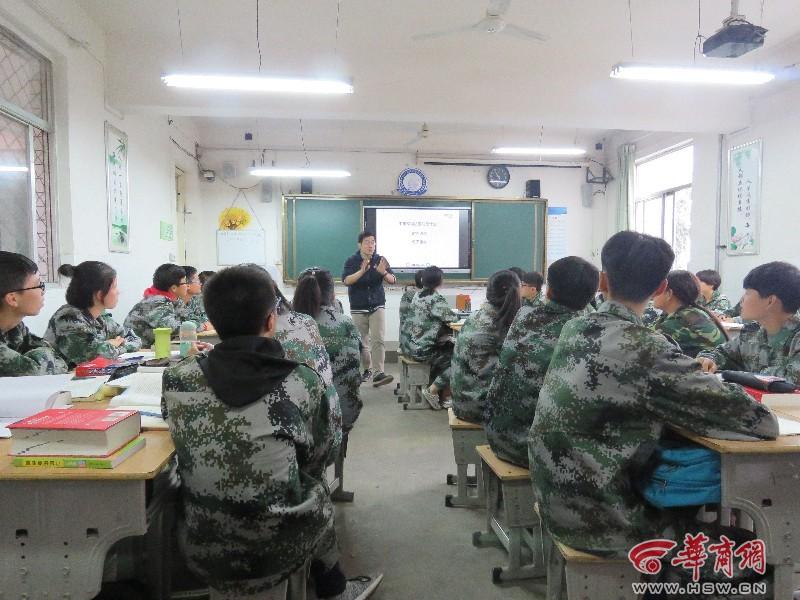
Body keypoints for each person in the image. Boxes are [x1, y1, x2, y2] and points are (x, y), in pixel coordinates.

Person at [528, 231, 777, 559]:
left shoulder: (575, 328)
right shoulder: (646, 347)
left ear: (602, 281)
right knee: (759, 550)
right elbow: (762, 423)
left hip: (556, 500)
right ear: (661, 286)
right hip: (606, 521)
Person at [162, 265, 381, 600]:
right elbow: (325, 452)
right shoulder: (301, 382)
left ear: (212, 322)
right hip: (282, 543)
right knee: (312, 483)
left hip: (202, 543)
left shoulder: (178, 378)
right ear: (270, 321)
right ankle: (334, 589)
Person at [485, 257, 598, 467]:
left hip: (496, 433)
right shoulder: (584, 331)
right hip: (529, 448)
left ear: (547, 291)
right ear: (593, 296)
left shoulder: (523, 315)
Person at [697, 261, 800, 385]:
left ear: (770, 301)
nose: (742, 299)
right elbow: (722, 353)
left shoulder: (796, 337)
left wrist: (736, 375)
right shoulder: (752, 332)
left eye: (747, 293)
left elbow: (789, 380)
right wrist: (708, 359)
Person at [293, 267, 363, 435]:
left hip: (300, 426)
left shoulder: (289, 326)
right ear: (332, 295)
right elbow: (358, 359)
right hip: (344, 417)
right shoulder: (346, 323)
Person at [449, 270, 521, 423]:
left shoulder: (476, 316)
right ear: (517, 293)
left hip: (461, 401)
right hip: (480, 407)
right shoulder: (502, 324)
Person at [44, 262, 142, 367]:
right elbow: (95, 357)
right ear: (100, 294)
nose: (118, 292)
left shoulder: (99, 318)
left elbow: (134, 338)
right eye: (114, 287)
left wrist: (112, 345)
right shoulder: (68, 318)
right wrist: (110, 345)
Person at [342, 231, 396, 387]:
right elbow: (347, 280)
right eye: (367, 242)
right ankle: (368, 369)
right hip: (358, 306)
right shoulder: (352, 261)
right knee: (362, 342)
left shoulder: (380, 260)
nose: (371, 245)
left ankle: (379, 372)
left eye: (373, 242)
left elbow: (393, 280)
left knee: (378, 339)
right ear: (360, 244)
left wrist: (383, 272)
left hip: (377, 305)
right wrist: (361, 271)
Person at [0, 251, 67, 376]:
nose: (42, 291)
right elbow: (34, 371)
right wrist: (45, 358)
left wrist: (44, 359)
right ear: (13, 299)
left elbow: (60, 361)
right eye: (38, 286)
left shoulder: (15, 327)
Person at [406, 266, 458, 409]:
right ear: (439, 281)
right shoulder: (435, 298)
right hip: (425, 350)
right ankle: (433, 390)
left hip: (412, 345)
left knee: (449, 347)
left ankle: (442, 393)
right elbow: (451, 317)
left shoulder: (417, 295)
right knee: (459, 359)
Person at [651, 270, 728, 358]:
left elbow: (644, 342)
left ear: (669, 294)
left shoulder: (680, 321)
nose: (653, 294)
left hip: (711, 369)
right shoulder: (689, 311)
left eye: (658, 289)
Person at [124, 263, 191, 348]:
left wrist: (194, 324)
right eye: (185, 283)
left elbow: (188, 318)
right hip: (138, 351)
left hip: (154, 349)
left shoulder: (174, 300)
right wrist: (201, 326)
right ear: (174, 288)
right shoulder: (156, 302)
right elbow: (173, 329)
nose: (188, 286)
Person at [398, 269, 423, 356]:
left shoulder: (407, 295)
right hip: (419, 346)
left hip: (406, 344)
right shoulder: (430, 297)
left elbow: (403, 320)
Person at [182, 265, 211, 330]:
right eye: (198, 281)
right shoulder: (172, 302)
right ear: (188, 285)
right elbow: (182, 325)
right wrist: (204, 326)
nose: (201, 284)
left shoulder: (193, 299)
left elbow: (205, 317)